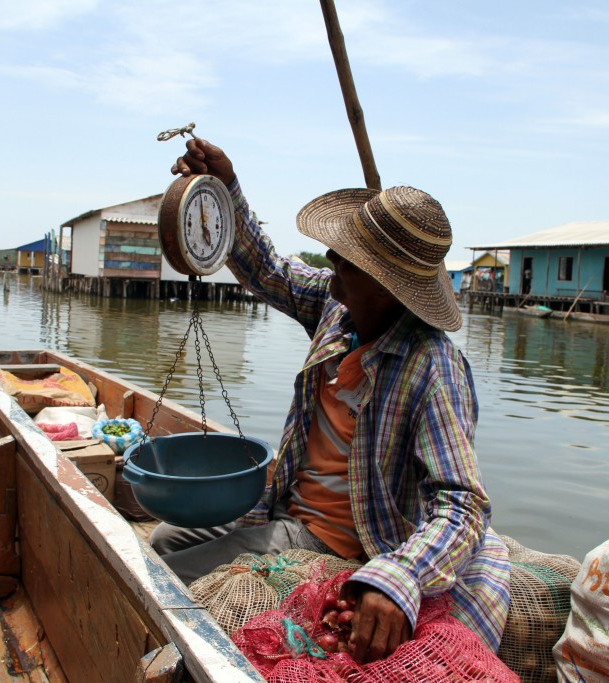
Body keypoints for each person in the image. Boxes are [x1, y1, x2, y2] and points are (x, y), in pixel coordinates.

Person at [152, 138, 509, 664]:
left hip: (337, 541)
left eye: (349, 261)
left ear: (387, 286)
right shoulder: (337, 310)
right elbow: (268, 268)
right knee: (163, 539)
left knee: (168, 576)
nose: (334, 262)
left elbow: (462, 505)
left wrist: (398, 577)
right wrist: (225, 190)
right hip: (282, 505)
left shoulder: (432, 366)